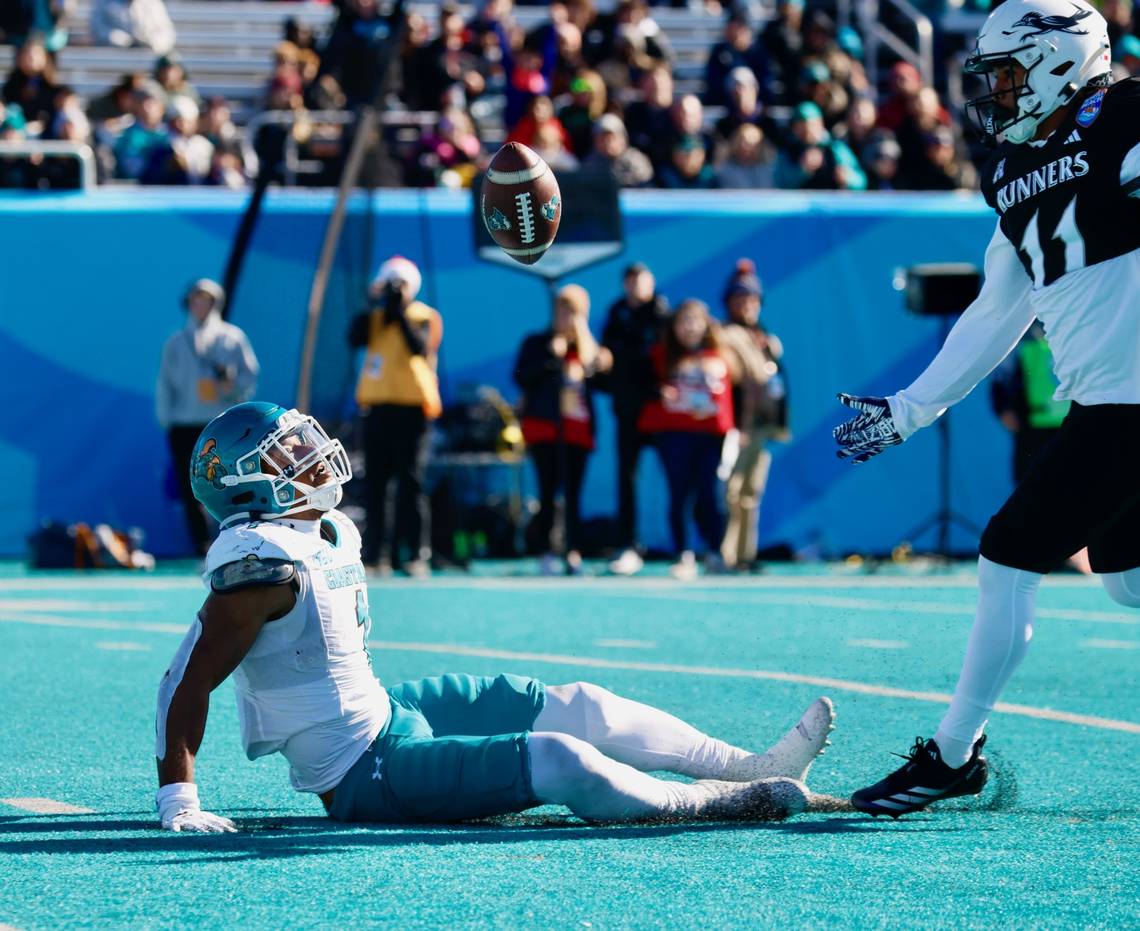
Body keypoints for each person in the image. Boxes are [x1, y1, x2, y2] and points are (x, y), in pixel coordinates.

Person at [154, 400, 844, 832]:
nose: (310, 453)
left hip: (387, 715)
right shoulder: (258, 562)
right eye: (287, 453)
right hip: (364, 774)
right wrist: (179, 798)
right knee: (559, 757)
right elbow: (183, 681)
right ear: (246, 485)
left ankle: (746, 764)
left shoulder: (324, 529)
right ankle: (705, 803)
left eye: (301, 440)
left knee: (581, 705)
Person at [834, 0, 1140, 817]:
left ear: (1058, 61)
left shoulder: (1132, 115)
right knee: (1125, 580)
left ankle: (952, 753)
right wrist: (910, 409)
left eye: (1005, 74)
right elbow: (996, 313)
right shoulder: (1010, 171)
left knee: (1008, 554)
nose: (995, 95)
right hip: (1106, 400)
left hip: (1133, 402)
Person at [348, 256, 442, 577]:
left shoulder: (423, 316)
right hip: (377, 410)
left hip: (412, 410)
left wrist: (399, 310)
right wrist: (375, 301)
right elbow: (354, 337)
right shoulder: (376, 318)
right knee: (376, 484)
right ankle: (376, 555)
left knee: (411, 482)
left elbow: (419, 347)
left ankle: (414, 552)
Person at [156, 279, 258, 556]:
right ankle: (201, 544)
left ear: (216, 303)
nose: (200, 306)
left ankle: (233, 539)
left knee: (229, 482)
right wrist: (167, 419)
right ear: (188, 304)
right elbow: (165, 384)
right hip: (184, 423)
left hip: (219, 423)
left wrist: (232, 386)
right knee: (191, 486)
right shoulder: (176, 342)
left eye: (207, 300)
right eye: (195, 300)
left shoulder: (232, 338)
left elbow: (249, 378)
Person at [513, 284, 610, 575]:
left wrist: (582, 343)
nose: (567, 316)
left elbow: (601, 379)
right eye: (563, 309)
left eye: (574, 311)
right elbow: (521, 376)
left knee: (573, 495)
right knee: (546, 492)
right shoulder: (537, 341)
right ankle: (545, 551)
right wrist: (550, 360)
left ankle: (573, 551)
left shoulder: (588, 349)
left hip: (577, 432)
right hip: (544, 429)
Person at [638, 300, 737, 580]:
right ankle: (683, 553)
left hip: (712, 435)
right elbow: (639, 384)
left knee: (711, 493)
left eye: (694, 320)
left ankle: (716, 551)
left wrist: (737, 427)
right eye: (683, 320)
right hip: (675, 434)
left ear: (706, 324)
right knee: (679, 493)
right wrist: (659, 393)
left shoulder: (722, 355)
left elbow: (740, 391)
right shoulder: (662, 355)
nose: (689, 326)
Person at [599, 262, 670, 576]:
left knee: (680, 478)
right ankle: (628, 545)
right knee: (626, 478)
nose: (635, 287)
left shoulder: (664, 317)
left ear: (652, 283)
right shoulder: (616, 315)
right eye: (630, 282)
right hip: (627, 411)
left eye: (641, 281)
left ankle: (689, 547)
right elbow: (606, 359)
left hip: (662, 412)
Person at [717, 261, 789, 571]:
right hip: (739, 425)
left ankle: (746, 554)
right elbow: (738, 377)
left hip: (761, 425)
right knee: (732, 491)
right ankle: (726, 554)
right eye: (741, 300)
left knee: (751, 491)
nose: (748, 306)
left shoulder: (763, 338)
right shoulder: (726, 334)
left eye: (753, 300)